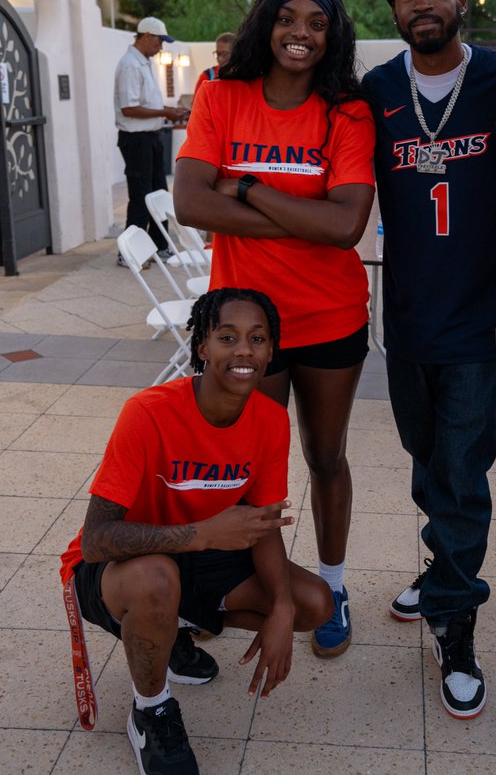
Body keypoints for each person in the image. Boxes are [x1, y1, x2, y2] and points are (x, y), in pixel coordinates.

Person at [173, 0, 375, 659]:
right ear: (267, 23)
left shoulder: (346, 111)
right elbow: (192, 202)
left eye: (316, 23)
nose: (300, 33)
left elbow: (346, 225)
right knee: (238, 465)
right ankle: (221, 584)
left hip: (329, 316)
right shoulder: (221, 94)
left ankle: (335, 582)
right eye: (288, 18)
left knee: (324, 455)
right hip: (244, 328)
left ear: (332, 36)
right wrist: (301, 217)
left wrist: (251, 186)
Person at [59, 287, 333, 775]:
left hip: (206, 548)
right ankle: (151, 711)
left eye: (258, 338)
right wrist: (202, 534)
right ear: (202, 347)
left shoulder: (270, 419)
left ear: (272, 351)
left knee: (314, 604)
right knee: (158, 580)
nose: (244, 350)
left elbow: (261, 525)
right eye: (227, 337)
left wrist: (283, 608)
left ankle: (176, 628)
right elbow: (98, 537)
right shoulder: (147, 412)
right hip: (118, 566)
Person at [362, 0, 496, 720]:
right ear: (394, 9)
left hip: (478, 319)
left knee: (462, 469)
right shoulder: (377, 89)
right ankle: (441, 566)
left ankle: (456, 622)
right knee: (427, 457)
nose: (421, 2)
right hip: (409, 317)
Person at [114, 16, 187, 265]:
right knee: (141, 195)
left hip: (151, 136)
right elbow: (129, 108)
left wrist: (167, 111)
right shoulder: (129, 65)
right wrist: (166, 112)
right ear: (146, 36)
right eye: (159, 41)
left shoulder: (142, 63)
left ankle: (159, 245)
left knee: (158, 193)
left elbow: (146, 104)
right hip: (136, 140)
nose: (161, 47)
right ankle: (128, 254)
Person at [194, 31, 236, 95]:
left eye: (224, 54)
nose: (220, 58)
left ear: (235, 53)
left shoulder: (245, 75)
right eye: (218, 54)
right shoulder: (207, 76)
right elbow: (196, 102)